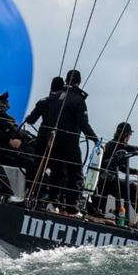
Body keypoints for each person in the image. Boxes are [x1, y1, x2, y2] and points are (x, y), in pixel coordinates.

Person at [43, 69, 98, 214]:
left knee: (56, 172)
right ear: (79, 82)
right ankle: (72, 207)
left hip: (54, 141)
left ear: (66, 80)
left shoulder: (54, 97)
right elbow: (83, 124)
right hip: (70, 143)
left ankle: (52, 202)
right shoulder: (78, 100)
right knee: (75, 173)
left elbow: (48, 120)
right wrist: (95, 140)